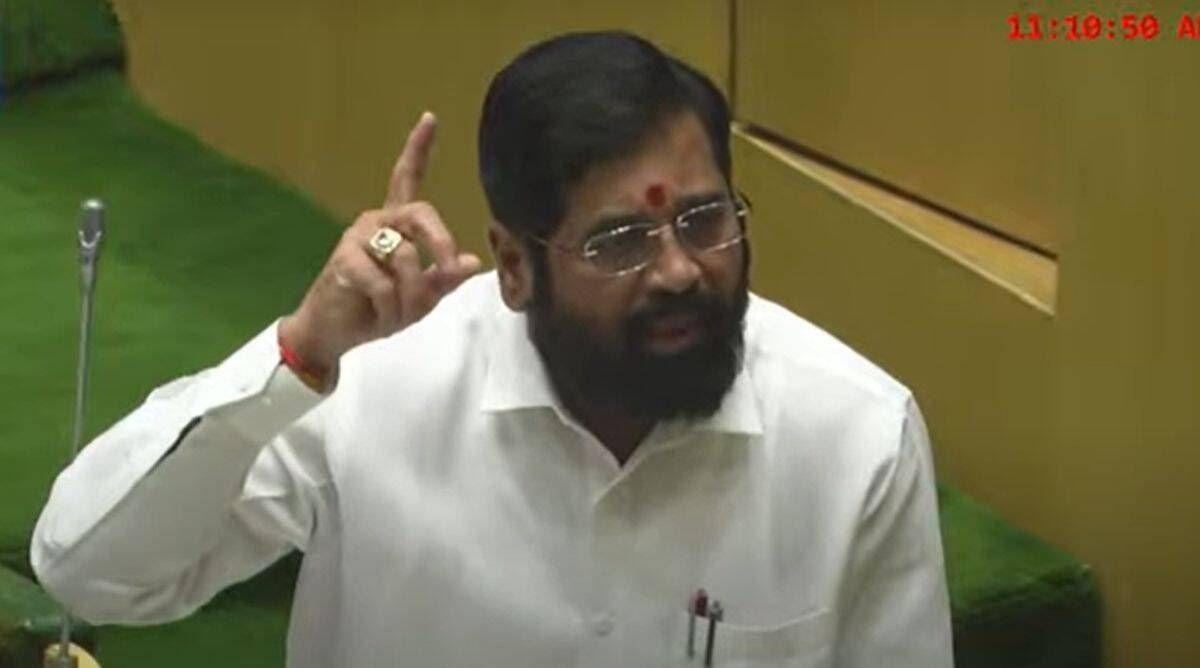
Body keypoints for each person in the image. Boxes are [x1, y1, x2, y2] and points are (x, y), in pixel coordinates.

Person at [32, 31, 952, 667]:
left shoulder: (854, 433)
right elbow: (92, 573)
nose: (678, 271)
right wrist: (301, 355)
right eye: (620, 242)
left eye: (705, 220)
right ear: (514, 266)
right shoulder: (378, 384)